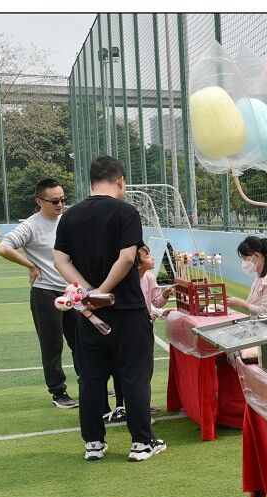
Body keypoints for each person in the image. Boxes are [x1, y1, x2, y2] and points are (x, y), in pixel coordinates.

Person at [53, 155, 166, 462]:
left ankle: (93, 442)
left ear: (91, 182)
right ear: (120, 182)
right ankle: (142, 442)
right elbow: (128, 258)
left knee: (91, 378)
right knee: (134, 376)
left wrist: (88, 292)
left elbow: (60, 260)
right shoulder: (125, 211)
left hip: (90, 315)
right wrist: (102, 291)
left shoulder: (70, 215)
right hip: (127, 310)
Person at [0, 178, 80, 409]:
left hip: (72, 292)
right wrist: (31, 266)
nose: (60, 205)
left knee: (81, 342)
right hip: (45, 293)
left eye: (63, 199)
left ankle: (89, 382)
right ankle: (58, 392)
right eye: (54, 201)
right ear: (39, 201)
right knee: (52, 346)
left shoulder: (67, 220)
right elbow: (3, 248)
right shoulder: (31, 226)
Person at [103, 244, 173, 423]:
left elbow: (155, 302)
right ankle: (126, 407)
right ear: (137, 263)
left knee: (144, 371)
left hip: (144, 328)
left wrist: (164, 296)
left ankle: (140, 405)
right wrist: (148, 313)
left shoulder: (149, 277)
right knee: (127, 370)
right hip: (128, 331)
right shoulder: (125, 280)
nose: (152, 258)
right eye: (147, 255)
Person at [227, 236, 267, 315]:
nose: (244, 262)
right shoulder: (260, 277)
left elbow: (266, 312)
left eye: (245, 258)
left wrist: (240, 303)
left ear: (257, 255)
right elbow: (253, 305)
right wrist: (235, 302)